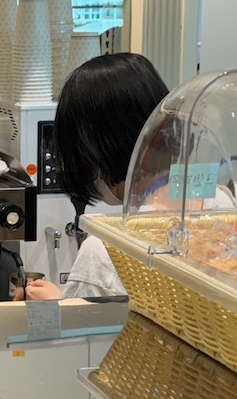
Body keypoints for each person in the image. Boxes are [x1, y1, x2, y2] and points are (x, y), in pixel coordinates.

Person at [18, 52, 170, 300]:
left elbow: (84, 335)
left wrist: (59, 306)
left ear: (98, 148)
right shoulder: (225, 201)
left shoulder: (105, 252)